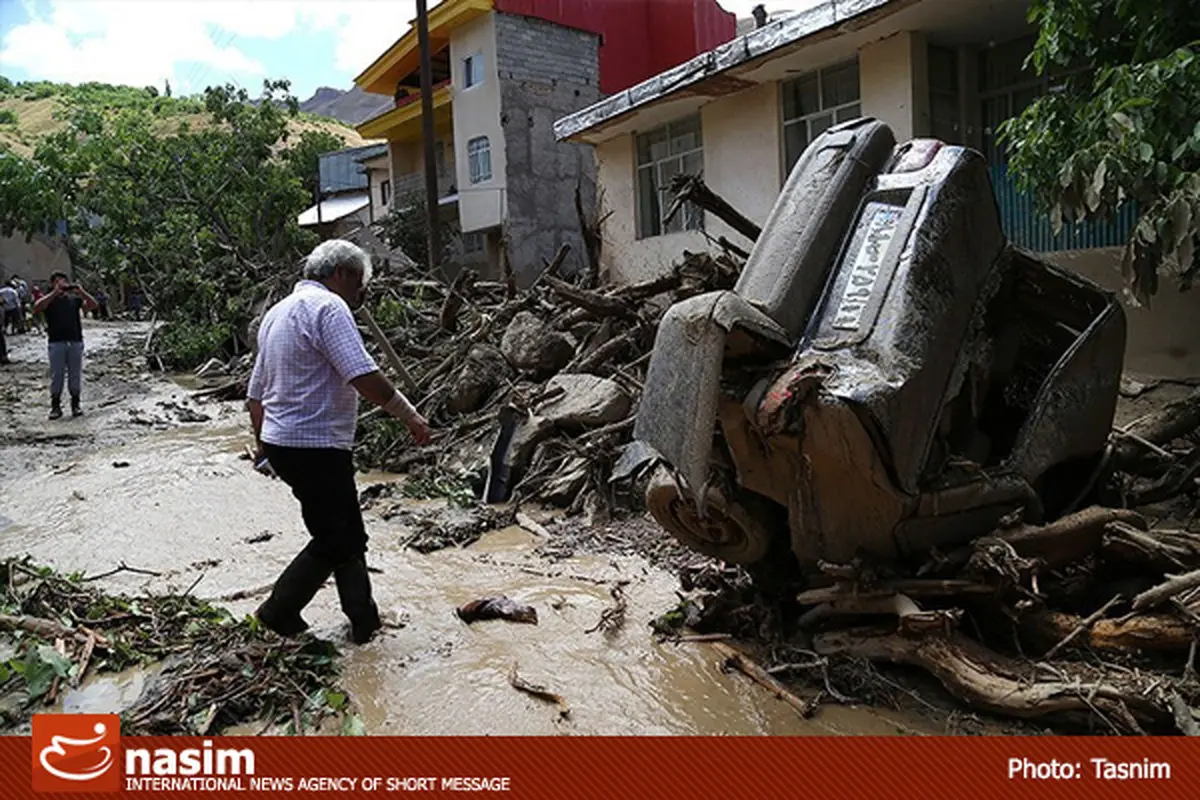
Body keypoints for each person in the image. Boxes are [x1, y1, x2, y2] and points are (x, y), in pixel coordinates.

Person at [246, 240, 431, 644]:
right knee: (336, 538)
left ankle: (364, 622)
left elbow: (254, 395)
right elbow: (361, 375)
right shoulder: (329, 308)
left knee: (345, 531)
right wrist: (410, 415)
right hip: (316, 445)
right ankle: (277, 613)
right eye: (360, 284)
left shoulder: (277, 313)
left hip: (284, 443)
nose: (361, 294)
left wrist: (263, 449)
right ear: (341, 274)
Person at [32, 272, 98, 419]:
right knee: (57, 375)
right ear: (52, 284)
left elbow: (93, 305)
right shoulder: (49, 301)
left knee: (75, 375)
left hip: (75, 341)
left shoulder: (74, 300)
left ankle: (76, 405)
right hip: (56, 342)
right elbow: (37, 308)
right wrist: (54, 293)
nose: (61, 284)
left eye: (63, 282)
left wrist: (81, 292)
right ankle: (55, 406)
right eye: (57, 282)